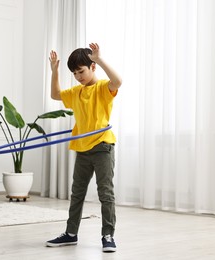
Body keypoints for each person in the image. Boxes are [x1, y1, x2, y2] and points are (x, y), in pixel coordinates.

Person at [46, 43, 122, 253]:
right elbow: (56, 95)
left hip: (102, 146)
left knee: (105, 192)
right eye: (74, 73)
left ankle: (108, 235)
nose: (78, 76)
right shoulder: (76, 92)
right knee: (77, 192)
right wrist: (55, 71)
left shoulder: (102, 88)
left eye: (82, 71)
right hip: (82, 147)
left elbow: (118, 81)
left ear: (92, 67)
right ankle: (70, 234)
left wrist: (100, 59)